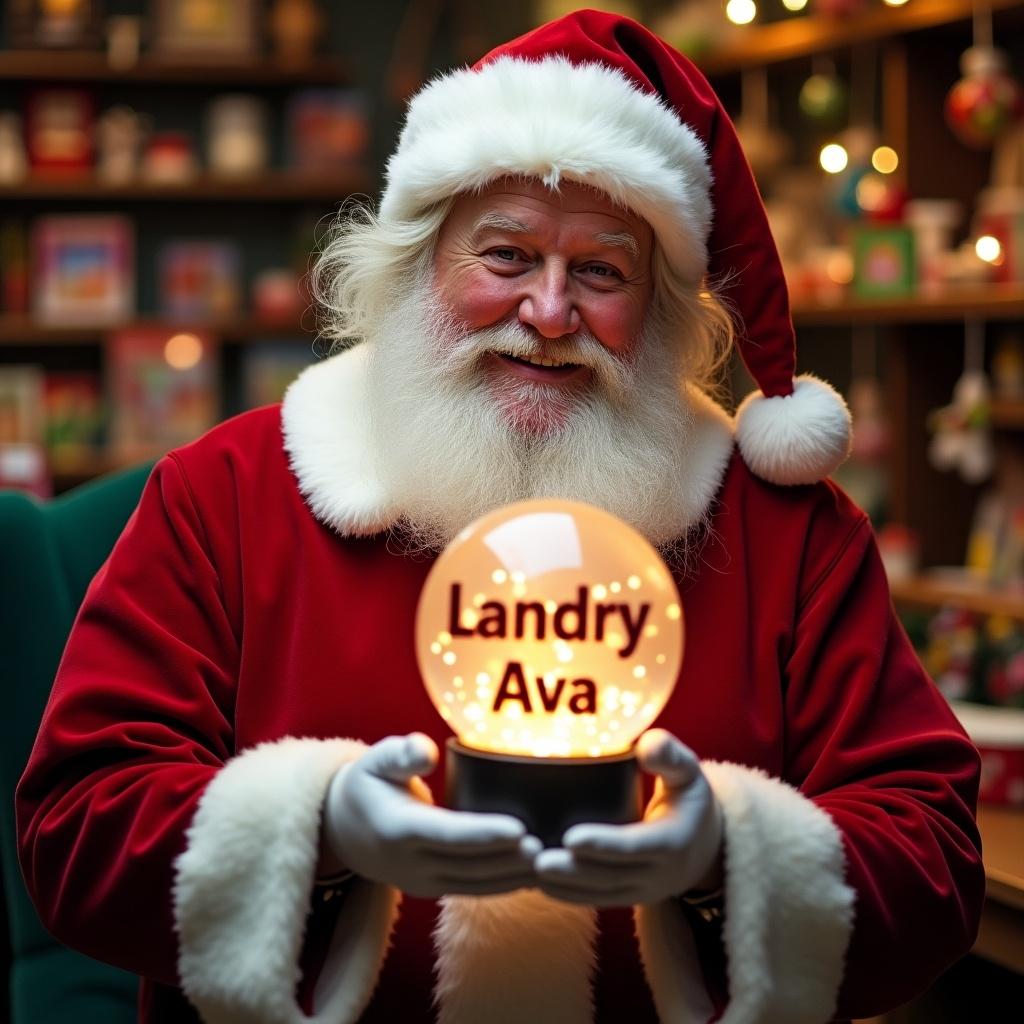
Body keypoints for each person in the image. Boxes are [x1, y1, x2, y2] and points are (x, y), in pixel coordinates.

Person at [17, 10, 983, 1024]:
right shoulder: (227, 490)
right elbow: (74, 824)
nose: (550, 311)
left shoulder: (785, 531)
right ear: (419, 262)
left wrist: (726, 859)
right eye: (507, 254)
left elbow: (932, 859)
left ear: (659, 308)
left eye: (602, 270)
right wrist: (317, 832)